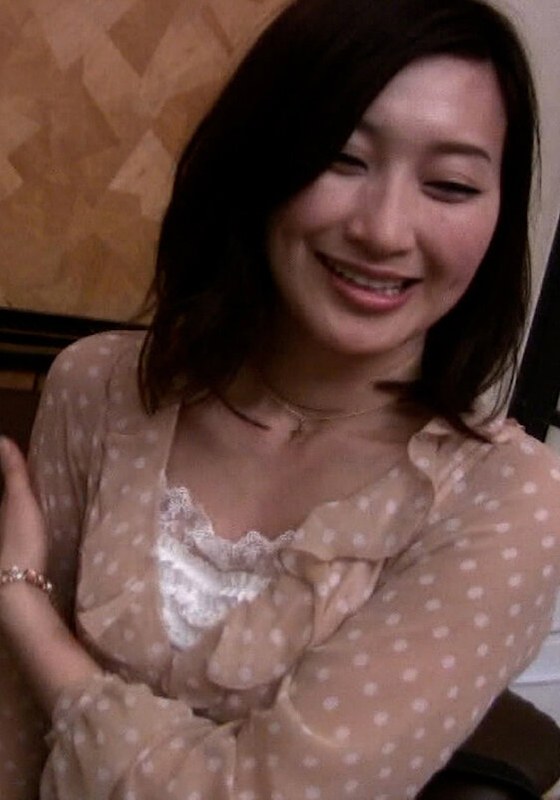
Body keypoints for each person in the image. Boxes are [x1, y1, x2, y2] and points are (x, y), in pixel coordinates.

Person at [0, 0, 559, 798]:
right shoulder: (97, 387)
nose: (384, 230)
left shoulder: (510, 499)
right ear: (259, 157)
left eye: (449, 184)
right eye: (342, 158)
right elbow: (12, 732)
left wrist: (25, 614)